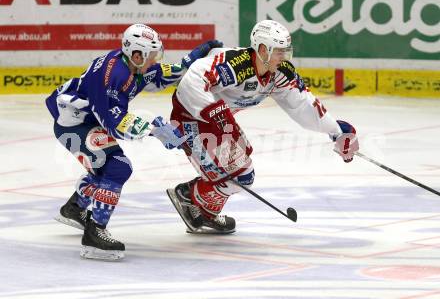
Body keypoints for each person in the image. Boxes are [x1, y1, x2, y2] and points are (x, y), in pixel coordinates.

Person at [46, 23, 222, 260]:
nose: (154, 60)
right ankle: (94, 234)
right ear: (137, 54)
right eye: (151, 56)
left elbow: (167, 72)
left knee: (103, 168)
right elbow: (114, 123)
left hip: (88, 121)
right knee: (117, 167)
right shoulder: (112, 76)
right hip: (74, 125)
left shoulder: (132, 65)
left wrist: (195, 57)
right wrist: (155, 131)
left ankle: (74, 209)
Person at [166, 20, 359, 234]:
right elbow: (191, 81)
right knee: (238, 175)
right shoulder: (235, 64)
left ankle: (201, 209)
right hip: (189, 116)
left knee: (242, 175)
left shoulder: (278, 73)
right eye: (278, 51)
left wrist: (336, 131)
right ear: (262, 49)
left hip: (217, 123)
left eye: (285, 51)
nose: (283, 57)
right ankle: (189, 195)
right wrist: (215, 112)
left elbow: (303, 105)